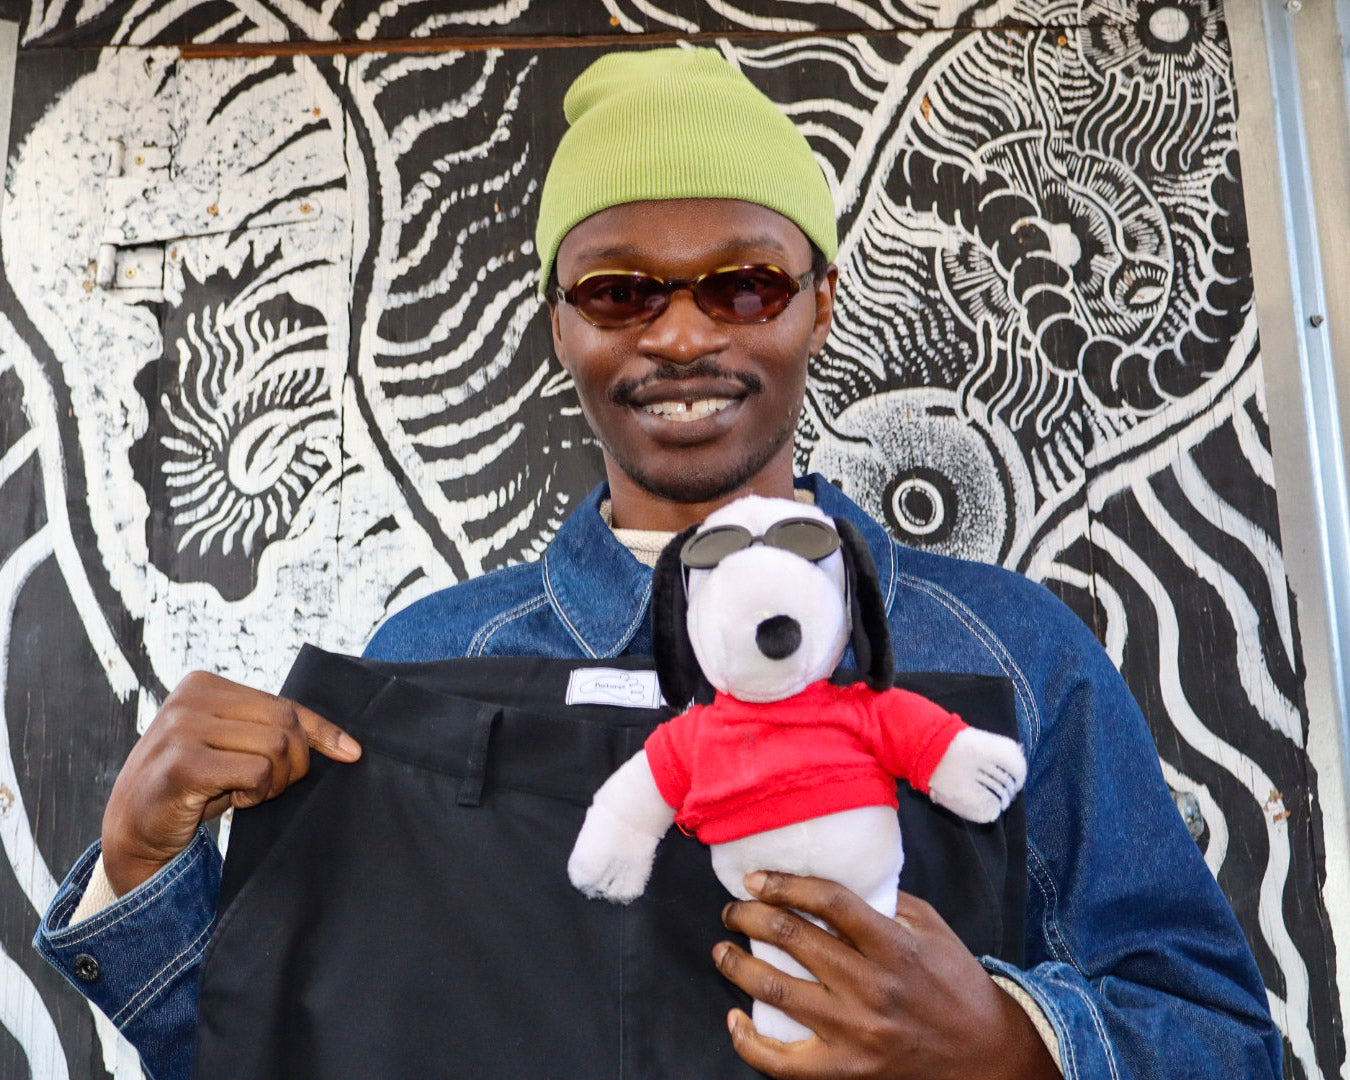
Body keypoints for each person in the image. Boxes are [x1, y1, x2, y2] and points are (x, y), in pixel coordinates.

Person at [35, 47, 1282, 1080]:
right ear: (560, 322)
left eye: (743, 285)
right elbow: (295, 1051)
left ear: (820, 302)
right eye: (621, 291)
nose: (681, 334)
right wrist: (144, 877)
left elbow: (1229, 1040)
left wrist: (1017, 1043)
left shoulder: (1011, 653)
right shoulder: (426, 671)